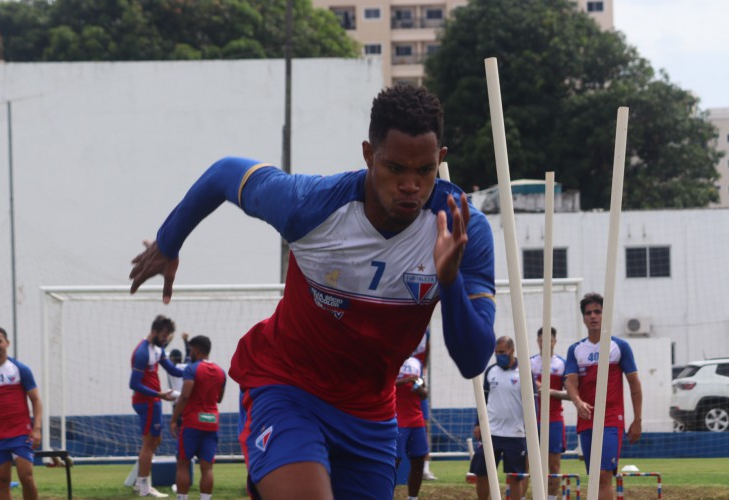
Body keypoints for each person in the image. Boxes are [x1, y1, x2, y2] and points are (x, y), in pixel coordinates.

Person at [129, 84, 497, 499]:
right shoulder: (310, 206)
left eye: (424, 171)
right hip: (289, 389)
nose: (410, 185)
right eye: (395, 169)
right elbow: (225, 173)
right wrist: (168, 242)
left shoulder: (463, 229)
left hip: (371, 416)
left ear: (440, 160)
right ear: (368, 155)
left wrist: (449, 282)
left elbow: (472, 360)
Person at [564, 293, 643, 499]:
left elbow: (634, 384)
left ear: (604, 315)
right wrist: (578, 402)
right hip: (586, 419)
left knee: (604, 474)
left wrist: (637, 419)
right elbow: (570, 382)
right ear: (583, 318)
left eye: (597, 312)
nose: (593, 316)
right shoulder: (575, 350)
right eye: (589, 313)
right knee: (594, 477)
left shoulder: (619, 347)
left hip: (611, 418)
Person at [0, 326, 42, 500]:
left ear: (7, 343)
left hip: (20, 433)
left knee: (26, 476)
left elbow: (36, 400)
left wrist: (36, 428)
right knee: (2, 481)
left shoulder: (20, 369)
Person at [130, 315, 185, 498]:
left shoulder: (157, 350)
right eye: (164, 335)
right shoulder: (142, 352)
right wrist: (159, 395)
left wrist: (195, 369)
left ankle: (140, 481)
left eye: (168, 336)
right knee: (149, 443)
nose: (166, 339)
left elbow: (173, 370)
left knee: (155, 441)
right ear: (154, 332)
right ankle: (145, 486)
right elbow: (134, 384)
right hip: (147, 402)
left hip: (154, 401)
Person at [469, 336, 527, 500]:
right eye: (496, 352)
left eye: (502, 352)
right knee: (481, 473)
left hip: (516, 434)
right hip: (491, 432)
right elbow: (483, 400)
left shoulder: (523, 371)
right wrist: (477, 423)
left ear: (512, 350)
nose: (498, 355)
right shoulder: (490, 371)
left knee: (515, 477)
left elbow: (532, 405)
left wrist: (532, 431)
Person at [170, 335, 227, 500]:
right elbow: (219, 399)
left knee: (183, 463)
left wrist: (174, 419)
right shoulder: (221, 372)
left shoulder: (192, 369)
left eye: (191, 350)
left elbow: (186, 396)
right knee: (207, 468)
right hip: (211, 422)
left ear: (196, 350)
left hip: (192, 422)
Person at [530, 326, 570, 500]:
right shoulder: (529, 363)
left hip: (554, 419)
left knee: (554, 464)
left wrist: (549, 391)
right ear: (538, 341)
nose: (545, 343)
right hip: (531, 419)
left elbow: (571, 393)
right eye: (541, 340)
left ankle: (551, 498)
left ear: (555, 341)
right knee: (527, 463)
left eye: (549, 340)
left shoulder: (562, 364)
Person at [394, 356, 429, 500]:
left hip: (416, 419)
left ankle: (412, 498)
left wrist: (419, 388)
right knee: (394, 460)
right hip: (396, 417)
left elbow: (424, 393)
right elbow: (383, 383)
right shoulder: (391, 358)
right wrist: (407, 380)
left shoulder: (416, 363)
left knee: (419, 460)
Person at [411, 329, 437, 481]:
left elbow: (426, 353)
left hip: (417, 381)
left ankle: (425, 468)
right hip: (397, 381)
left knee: (424, 423)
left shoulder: (425, 332)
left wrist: (422, 375)